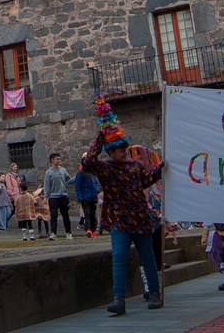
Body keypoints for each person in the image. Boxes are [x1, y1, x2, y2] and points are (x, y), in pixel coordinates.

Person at [82, 119, 164, 316]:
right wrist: (101, 138)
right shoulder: (105, 168)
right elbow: (88, 162)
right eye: (120, 151)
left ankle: (154, 292)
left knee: (148, 257)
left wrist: (160, 169)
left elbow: (146, 180)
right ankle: (119, 299)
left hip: (140, 219)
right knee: (119, 257)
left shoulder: (135, 167)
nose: (124, 153)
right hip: (118, 220)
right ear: (111, 153)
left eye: (125, 150)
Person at [43, 152, 73, 241]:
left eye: (60, 159)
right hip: (53, 197)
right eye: (57, 159)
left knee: (65, 215)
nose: (59, 160)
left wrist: (77, 178)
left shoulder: (63, 170)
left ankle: (68, 233)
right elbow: (47, 185)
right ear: (52, 160)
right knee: (54, 215)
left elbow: (69, 179)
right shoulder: (48, 173)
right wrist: (46, 196)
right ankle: (53, 233)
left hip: (63, 196)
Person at [74, 157, 100, 238]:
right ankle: (88, 229)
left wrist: (97, 192)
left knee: (92, 215)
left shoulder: (92, 174)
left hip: (93, 197)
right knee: (87, 214)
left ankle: (92, 230)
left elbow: (96, 184)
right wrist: (80, 197)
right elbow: (77, 187)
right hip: (85, 197)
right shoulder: (80, 174)